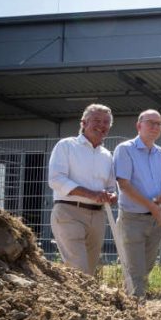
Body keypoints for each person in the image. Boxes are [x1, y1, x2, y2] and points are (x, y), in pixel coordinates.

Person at [48, 103, 117, 275]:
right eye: (96, 120)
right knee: (78, 270)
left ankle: (76, 301)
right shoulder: (66, 146)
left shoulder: (107, 155)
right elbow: (56, 179)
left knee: (89, 272)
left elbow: (110, 186)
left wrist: (112, 196)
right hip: (69, 212)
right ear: (83, 123)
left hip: (98, 216)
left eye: (106, 122)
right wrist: (92, 194)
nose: (102, 125)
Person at [112, 109, 161, 302]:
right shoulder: (125, 149)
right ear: (139, 125)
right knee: (135, 271)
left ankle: (128, 304)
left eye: (158, 124)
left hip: (155, 219)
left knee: (145, 269)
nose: (155, 127)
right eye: (150, 122)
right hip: (133, 218)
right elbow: (124, 184)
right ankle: (138, 314)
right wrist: (151, 206)